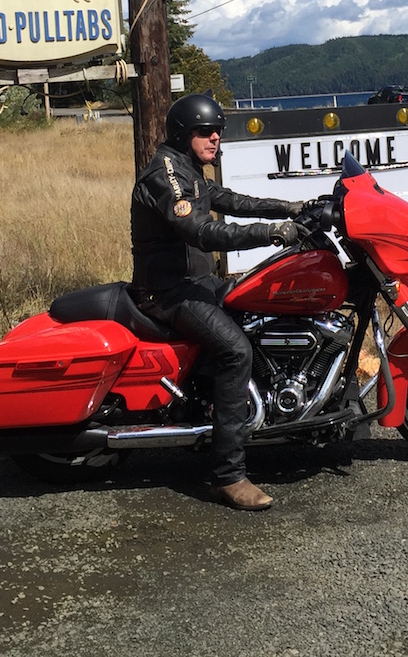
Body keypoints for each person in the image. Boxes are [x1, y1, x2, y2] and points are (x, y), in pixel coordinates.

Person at [130, 94, 304, 510]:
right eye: (205, 131)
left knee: (259, 313)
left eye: (218, 131)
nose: (214, 137)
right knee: (234, 351)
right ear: (182, 133)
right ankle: (228, 475)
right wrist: (271, 233)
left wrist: (294, 208)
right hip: (168, 293)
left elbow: (230, 200)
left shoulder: (188, 170)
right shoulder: (165, 175)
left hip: (197, 283)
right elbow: (201, 232)